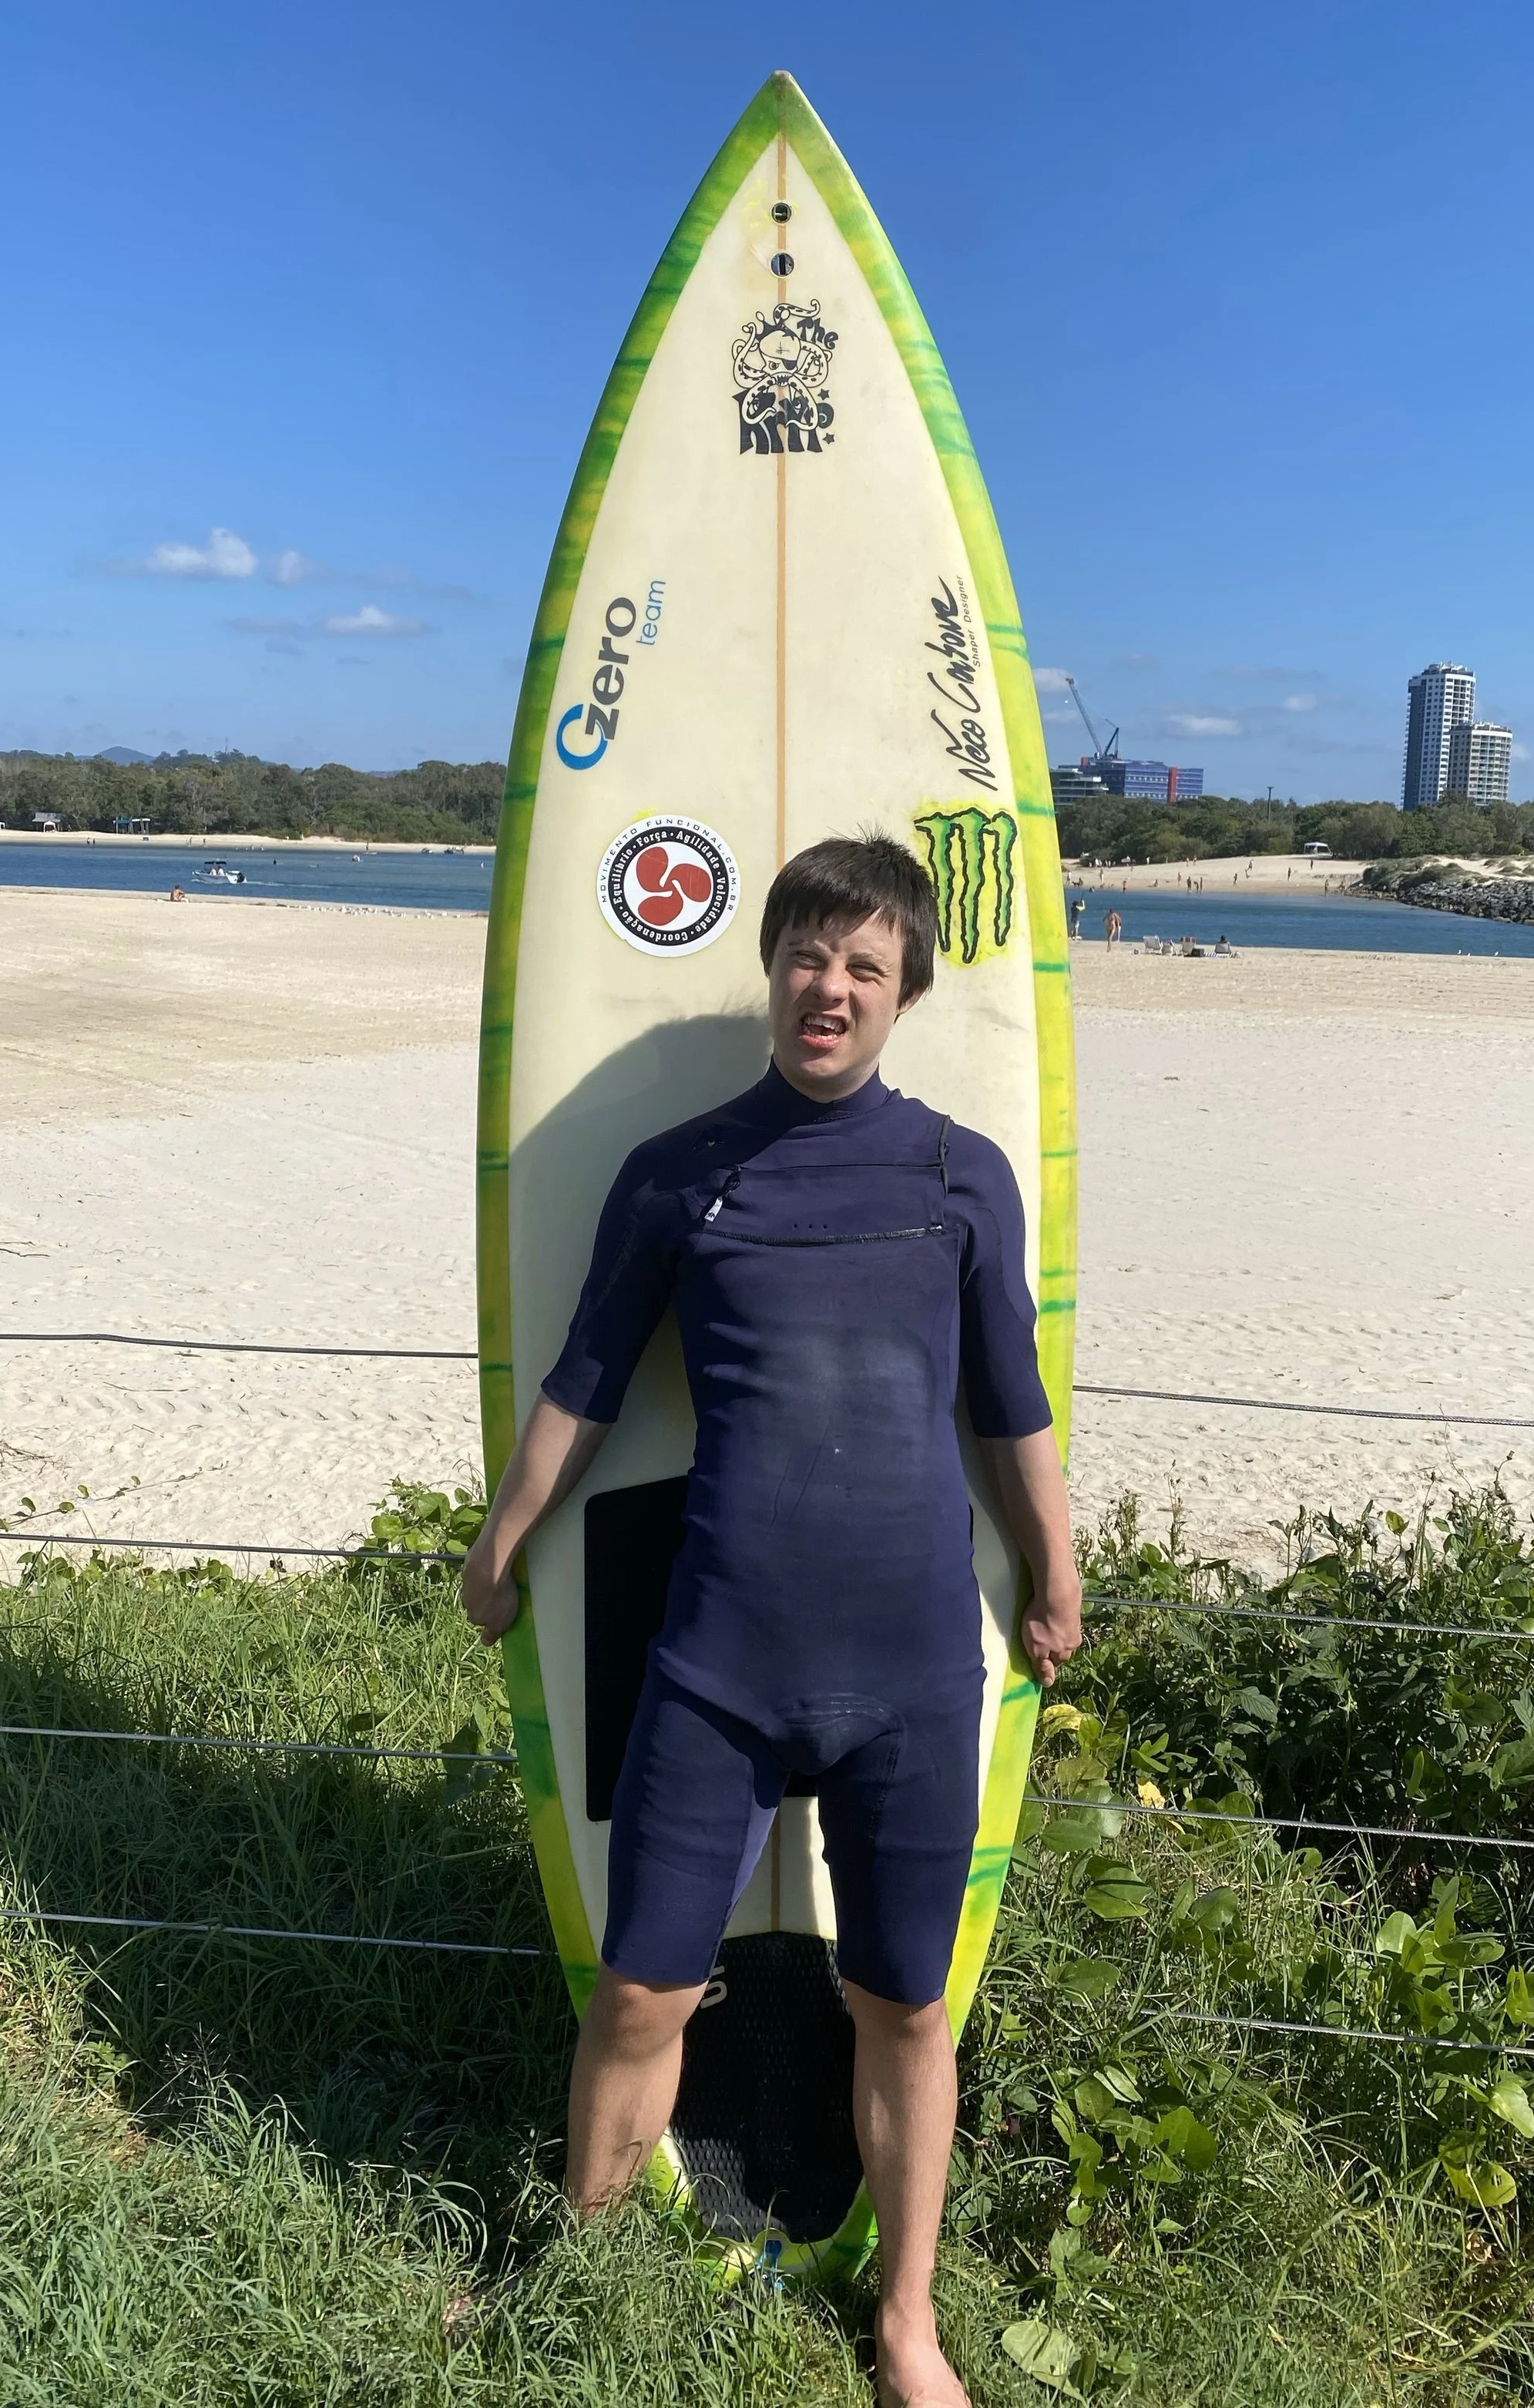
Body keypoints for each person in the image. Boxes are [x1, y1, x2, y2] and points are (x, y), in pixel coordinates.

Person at [462, 835, 1080, 2408]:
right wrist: (506, 1532)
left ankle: (907, 2321)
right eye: (808, 953)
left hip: (913, 1673)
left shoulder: (956, 1176)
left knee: (907, 1999)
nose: (829, 987)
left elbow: (1007, 1403)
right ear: (772, 967)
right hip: (719, 1661)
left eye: (864, 964)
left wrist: (1055, 1572)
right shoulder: (679, 1170)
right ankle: (579, 2277)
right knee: (639, 1988)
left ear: (904, 991)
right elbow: (587, 1376)